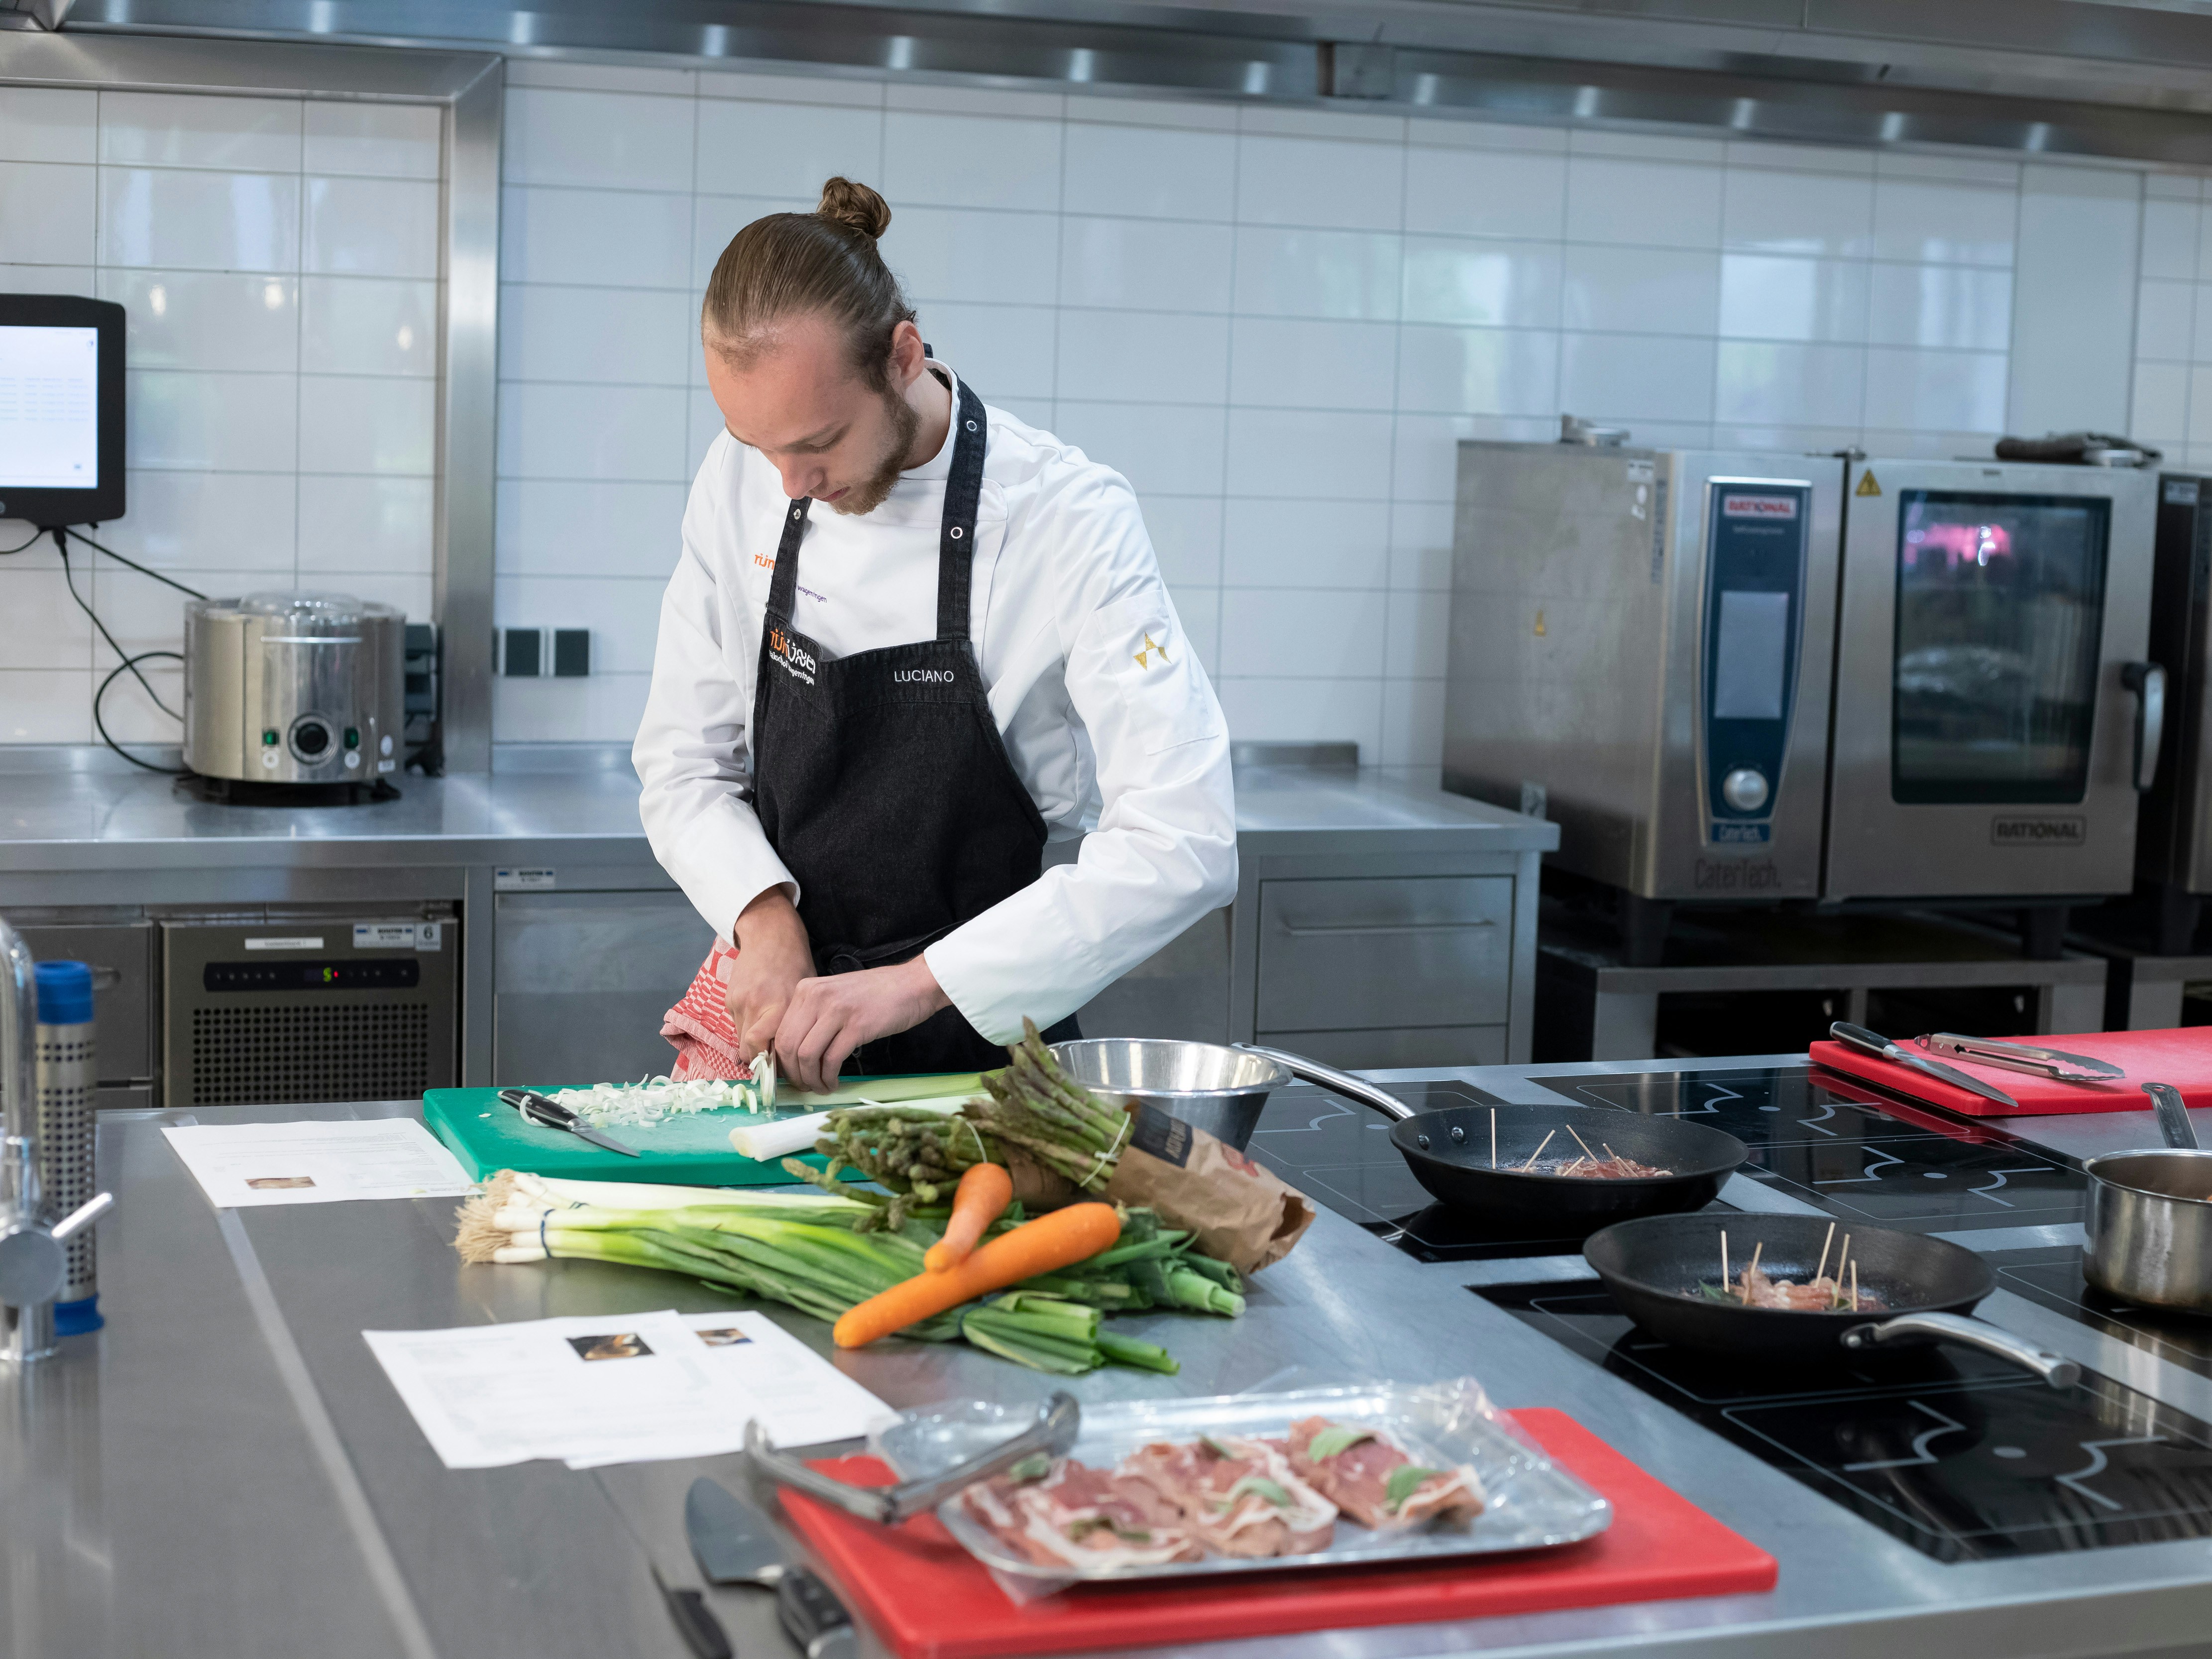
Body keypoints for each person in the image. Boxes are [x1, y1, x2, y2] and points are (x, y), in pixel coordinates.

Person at [635, 176, 1236, 1094]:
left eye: (821, 442)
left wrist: (916, 986)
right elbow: (683, 761)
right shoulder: (742, 478)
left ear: (903, 356)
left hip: (985, 1061)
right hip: (784, 1047)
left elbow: (1185, 840)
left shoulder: (1066, 517)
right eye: (761, 447)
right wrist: (765, 917)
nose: (791, 483)